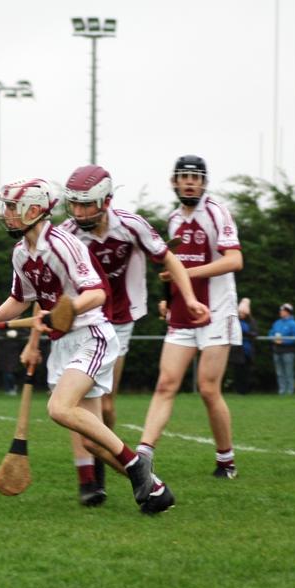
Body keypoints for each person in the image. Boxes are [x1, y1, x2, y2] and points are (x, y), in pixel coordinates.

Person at [0, 178, 207, 514]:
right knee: (90, 441)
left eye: (12, 207)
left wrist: (59, 313)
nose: (7, 214)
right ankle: (155, 490)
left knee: (59, 408)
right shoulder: (22, 253)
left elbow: (95, 293)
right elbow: (19, 299)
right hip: (63, 345)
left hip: (91, 336)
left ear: (35, 210)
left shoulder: (62, 245)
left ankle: (137, 464)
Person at [55, 164, 206, 504]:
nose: (78, 212)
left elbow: (169, 260)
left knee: (105, 406)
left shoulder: (131, 226)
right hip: (82, 323)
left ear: (106, 201)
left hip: (119, 322)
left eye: (86, 204)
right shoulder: (65, 234)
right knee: (76, 402)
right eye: (74, 204)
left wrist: (191, 298)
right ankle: (90, 479)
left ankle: (108, 457)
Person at [136, 155, 242, 480]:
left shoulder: (216, 212)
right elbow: (172, 265)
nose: (190, 182)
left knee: (208, 388)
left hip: (218, 310)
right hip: (183, 311)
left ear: (205, 183)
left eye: (196, 177)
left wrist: (189, 272)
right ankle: (143, 455)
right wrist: (168, 299)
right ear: (174, 182)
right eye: (184, 176)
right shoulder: (172, 220)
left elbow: (235, 260)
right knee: (166, 383)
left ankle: (226, 461)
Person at [269, 303, 295, 395]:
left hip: (288, 351)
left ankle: (290, 391)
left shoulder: (293, 323)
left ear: (288, 312)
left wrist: (284, 341)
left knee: (289, 372)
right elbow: (271, 333)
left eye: (282, 311)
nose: (280, 312)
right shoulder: (277, 322)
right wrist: (273, 338)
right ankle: (282, 390)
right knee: (279, 372)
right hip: (277, 350)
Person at [229, 298, 258, 394]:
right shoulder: (235, 321)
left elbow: (254, 333)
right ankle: (238, 390)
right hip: (237, 350)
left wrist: (246, 333)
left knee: (247, 371)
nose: (241, 315)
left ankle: (246, 390)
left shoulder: (251, 322)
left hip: (247, 350)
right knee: (237, 371)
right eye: (240, 313)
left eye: (243, 313)